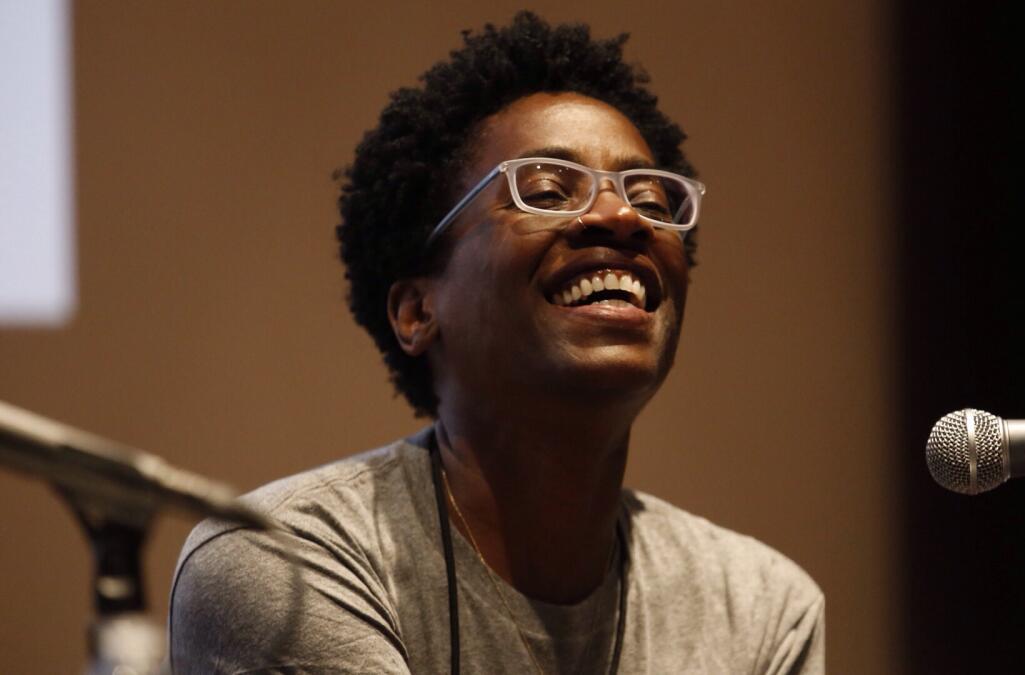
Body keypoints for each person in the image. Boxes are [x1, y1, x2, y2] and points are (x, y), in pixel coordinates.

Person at [169, 12, 824, 674]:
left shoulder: (761, 608)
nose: (622, 217)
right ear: (418, 310)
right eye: (546, 189)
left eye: (652, 199)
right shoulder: (284, 562)